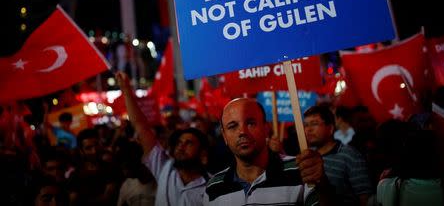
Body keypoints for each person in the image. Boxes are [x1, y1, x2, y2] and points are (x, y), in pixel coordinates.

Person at [203, 98, 334, 205]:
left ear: (266, 128)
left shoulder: (301, 170)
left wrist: (322, 183)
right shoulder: (213, 187)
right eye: (232, 126)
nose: (242, 132)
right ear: (224, 136)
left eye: (251, 123)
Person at [116, 71, 210, 206]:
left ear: (203, 154)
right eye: (179, 142)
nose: (180, 146)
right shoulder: (164, 168)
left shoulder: (213, 187)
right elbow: (141, 126)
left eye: (188, 143)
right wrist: (126, 90)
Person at [304, 105, 373, 206]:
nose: (308, 129)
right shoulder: (307, 156)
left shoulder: (350, 155)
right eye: (305, 125)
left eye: (314, 123)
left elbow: (366, 198)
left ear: (331, 128)